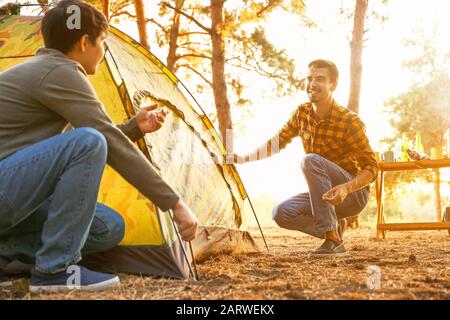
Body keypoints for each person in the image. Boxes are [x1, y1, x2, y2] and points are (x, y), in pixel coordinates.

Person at [0, 0, 198, 292]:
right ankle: (53, 270)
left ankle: (6, 251)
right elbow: (96, 139)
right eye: (102, 42)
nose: (103, 51)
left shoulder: (47, 70)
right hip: (7, 190)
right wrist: (174, 202)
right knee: (87, 141)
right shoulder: (60, 71)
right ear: (84, 42)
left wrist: (133, 128)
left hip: (14, 192)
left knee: (108, 226)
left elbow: (88, 141)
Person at [232, 59, 378, 256]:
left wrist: (346, 188)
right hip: (325, 197)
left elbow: (371, 168)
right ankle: (333, 228)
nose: (312, 84)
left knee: (310, 160)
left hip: (353, 195)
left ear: (332, 85)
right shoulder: (302, 114)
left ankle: (332, 240)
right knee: (281, 213)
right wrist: (243, 158)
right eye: (309, 78)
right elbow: (276, 142)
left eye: (320, 79)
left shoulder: (349, 121)